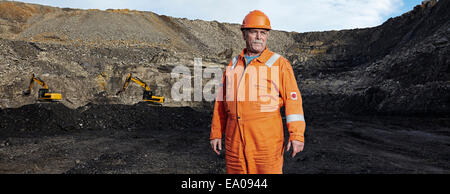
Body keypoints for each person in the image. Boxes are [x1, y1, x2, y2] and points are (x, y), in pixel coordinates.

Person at [210, 10, 306, 174]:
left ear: (267, 35)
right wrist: (216, 133)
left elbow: (293, 101)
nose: (259, 37)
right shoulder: (233, 65)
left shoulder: (280, 64)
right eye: (254, 32)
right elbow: (221, 102)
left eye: (263, 33)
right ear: (244, 34)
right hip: (235, 144)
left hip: (266, 145)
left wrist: (296, 135)